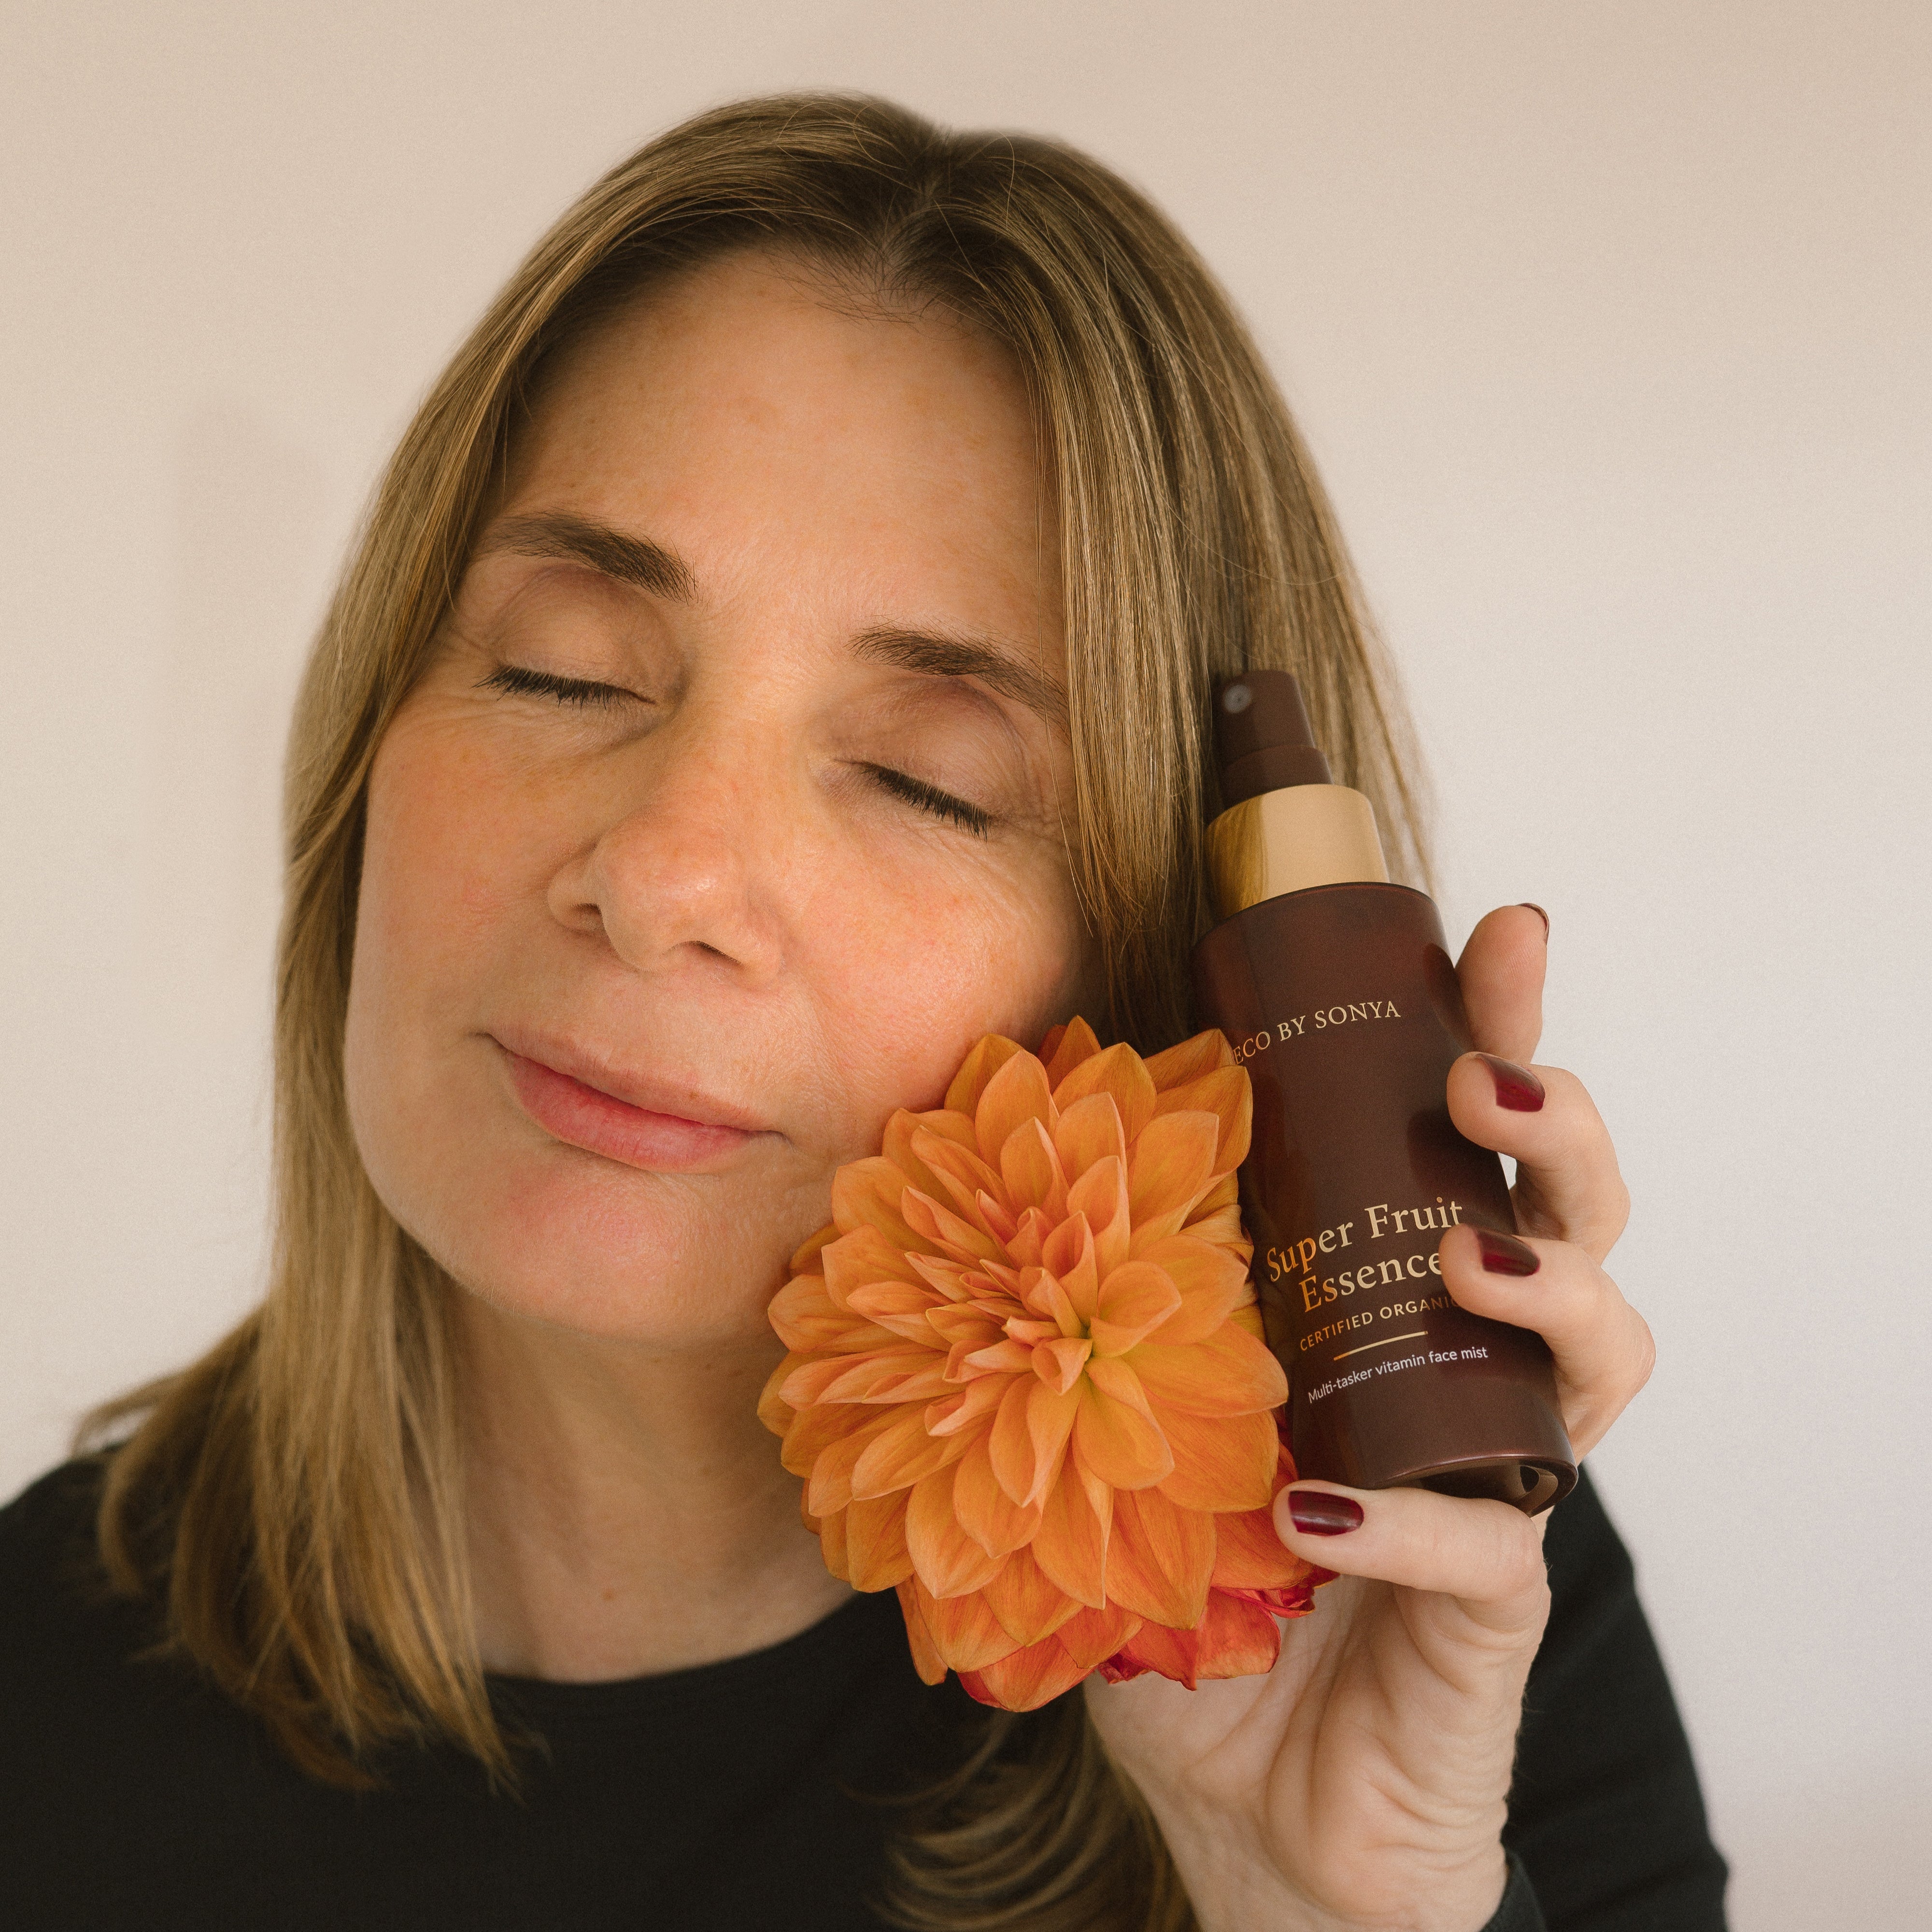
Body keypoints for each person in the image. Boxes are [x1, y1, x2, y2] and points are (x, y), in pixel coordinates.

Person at [0, 94, 1725, 1931]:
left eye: (928, 780)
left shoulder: (1423, 1594)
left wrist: (1322, 1910)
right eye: (560, 668)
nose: (659, 874)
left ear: (1158, 965)